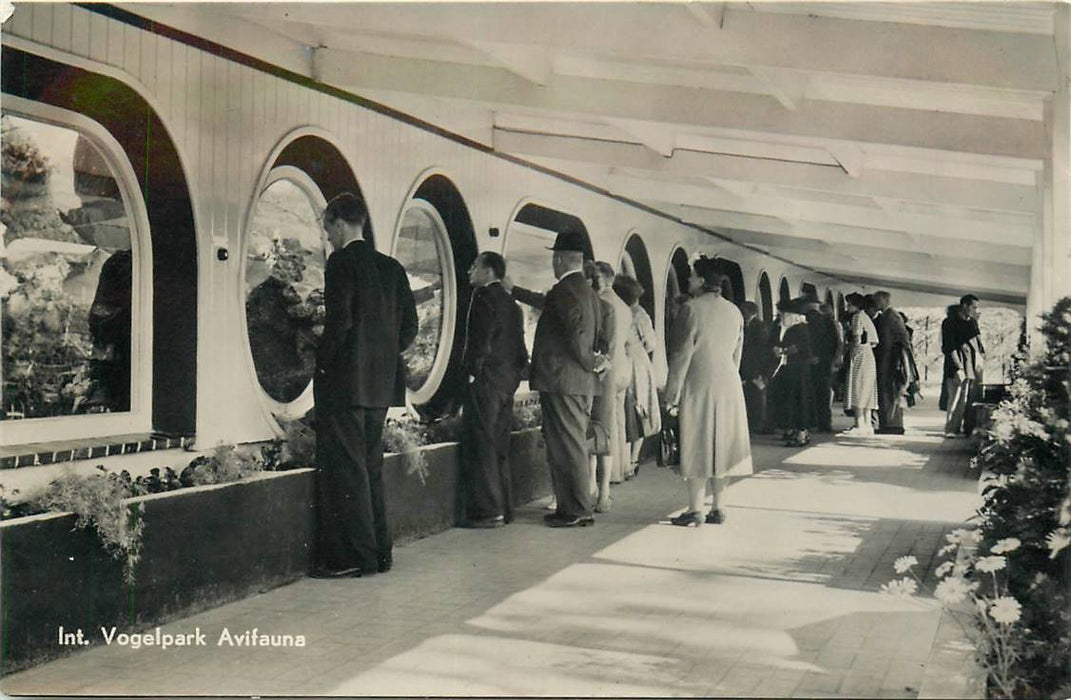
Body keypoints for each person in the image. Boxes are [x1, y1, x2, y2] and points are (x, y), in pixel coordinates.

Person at [313, 192, 418, 578]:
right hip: (380, 388)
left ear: (340, 223)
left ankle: (354, 558)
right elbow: (410, 328)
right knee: (370, 468)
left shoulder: (341, 263)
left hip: (345, 385)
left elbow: (338, 324)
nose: (328, 237)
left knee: (347, 471)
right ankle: (380, 553)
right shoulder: (392, 268)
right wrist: (382, 357)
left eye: (328, 228)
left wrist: (322, 364)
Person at [664, 257, 752, 527]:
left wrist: (671, 396)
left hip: (698, 383)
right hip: (728, 384)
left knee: (697, 442)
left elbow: (681, 356)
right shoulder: (734, 312)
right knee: (721, 445)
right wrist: (729, 376)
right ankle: (719, 507)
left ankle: (694, 509)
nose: (688, 280)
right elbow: (737, 354)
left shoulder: (690, 310)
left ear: (701, 281)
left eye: (691, 276)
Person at [530, 230, 602, 528]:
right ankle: (573, 507)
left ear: (559, 259)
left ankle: (575, 509)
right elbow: (597, 329)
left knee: (567, 445)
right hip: (575, 382)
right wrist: (598, 360)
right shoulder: (586, 290)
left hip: (564, 381)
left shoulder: (565, 289)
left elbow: (577, 334)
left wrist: (588, 362)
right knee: (570, 443)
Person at [459, 252, 529, 528]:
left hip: (487, 381)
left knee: (482, 443)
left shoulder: (483, 298)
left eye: (474, 266)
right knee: (500, 443)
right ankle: (505, 508)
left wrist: (473, 374)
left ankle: (488, 512)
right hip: (506, 381)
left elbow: (481, 341)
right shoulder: (512, 303)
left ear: (489, 271)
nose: (469, 271)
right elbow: (520, 348)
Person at [613, 275, 662, 476]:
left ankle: (623, 461)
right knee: (641, 411)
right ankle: (633, 461)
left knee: (625, 413)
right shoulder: (639, 313)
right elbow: (651, 343)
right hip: (639, 365)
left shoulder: (616, 310)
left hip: (621, 362)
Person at [584, 261, 617, 512]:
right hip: (601, 379)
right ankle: (600, 492)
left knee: (595, 435)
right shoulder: (608, 309)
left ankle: (597, 490)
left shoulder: (605, 309)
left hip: (595, 379)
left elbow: (607, 350)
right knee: (602, 435)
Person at [768, 298, 817, 447]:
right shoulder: (779, 327)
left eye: (783, 314)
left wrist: (785, 351)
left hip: (798, 370)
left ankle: (802, 432)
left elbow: (805, 350)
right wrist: (774, 349)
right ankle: (792, 429)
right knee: (788, 401)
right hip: (785, 370)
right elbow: (772, 342)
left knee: (800, 401)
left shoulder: (801, 328)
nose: (781, 316)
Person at [942, 294, 986, 437]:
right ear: (965, 306)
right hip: (957, 364)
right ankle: (951, 429)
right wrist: (958, 367)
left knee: (967, 398)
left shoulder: (972, 322)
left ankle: (967, 428)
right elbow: (949, 347)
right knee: (955, 397)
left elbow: (977, 343)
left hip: (971, 365)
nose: (975, 310)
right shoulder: (949, 322)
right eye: (973, 307)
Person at [840, 292, 879, 436]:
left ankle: (859, 424)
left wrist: (848, 341)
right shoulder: (866, 317)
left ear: (855, 305)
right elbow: (874, 341)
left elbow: (856, 338)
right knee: (867, 390)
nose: (847, 307)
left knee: (857, 388)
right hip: (869, 355)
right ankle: (867, 424)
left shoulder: (857, 317)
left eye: (849, 304)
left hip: (859, 355)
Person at [873, 290, 911, 435]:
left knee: (890, 390)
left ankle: (893, 424)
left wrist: (902, 356)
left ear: (885, 301)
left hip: (891, 358)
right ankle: (887, 423)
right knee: (886, 390)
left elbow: (903, 336)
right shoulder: (886, 316)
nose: (876, 304)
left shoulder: (892, 316)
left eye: (878, 300)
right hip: (887, 357)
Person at [803, 299, 843, 433]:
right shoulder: (828, 323)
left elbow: (829, 343)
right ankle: (823, 423)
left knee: (816, 392)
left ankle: (818, 422)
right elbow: (835, 343)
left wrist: (815, 356)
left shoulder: (812, 324)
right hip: (824, 362)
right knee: (822, 393)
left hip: (818, 362)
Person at [738, 301, 773, 434]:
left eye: (744, 311)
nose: (742, 313)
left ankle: (758, 423)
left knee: (757, 396)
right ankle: (753, 423)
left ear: (751, 312)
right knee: (751, 395)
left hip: (755, 367)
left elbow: (761, 351)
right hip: (748, 366)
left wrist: (760, 370)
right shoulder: (749, 325)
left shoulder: (759, 327)